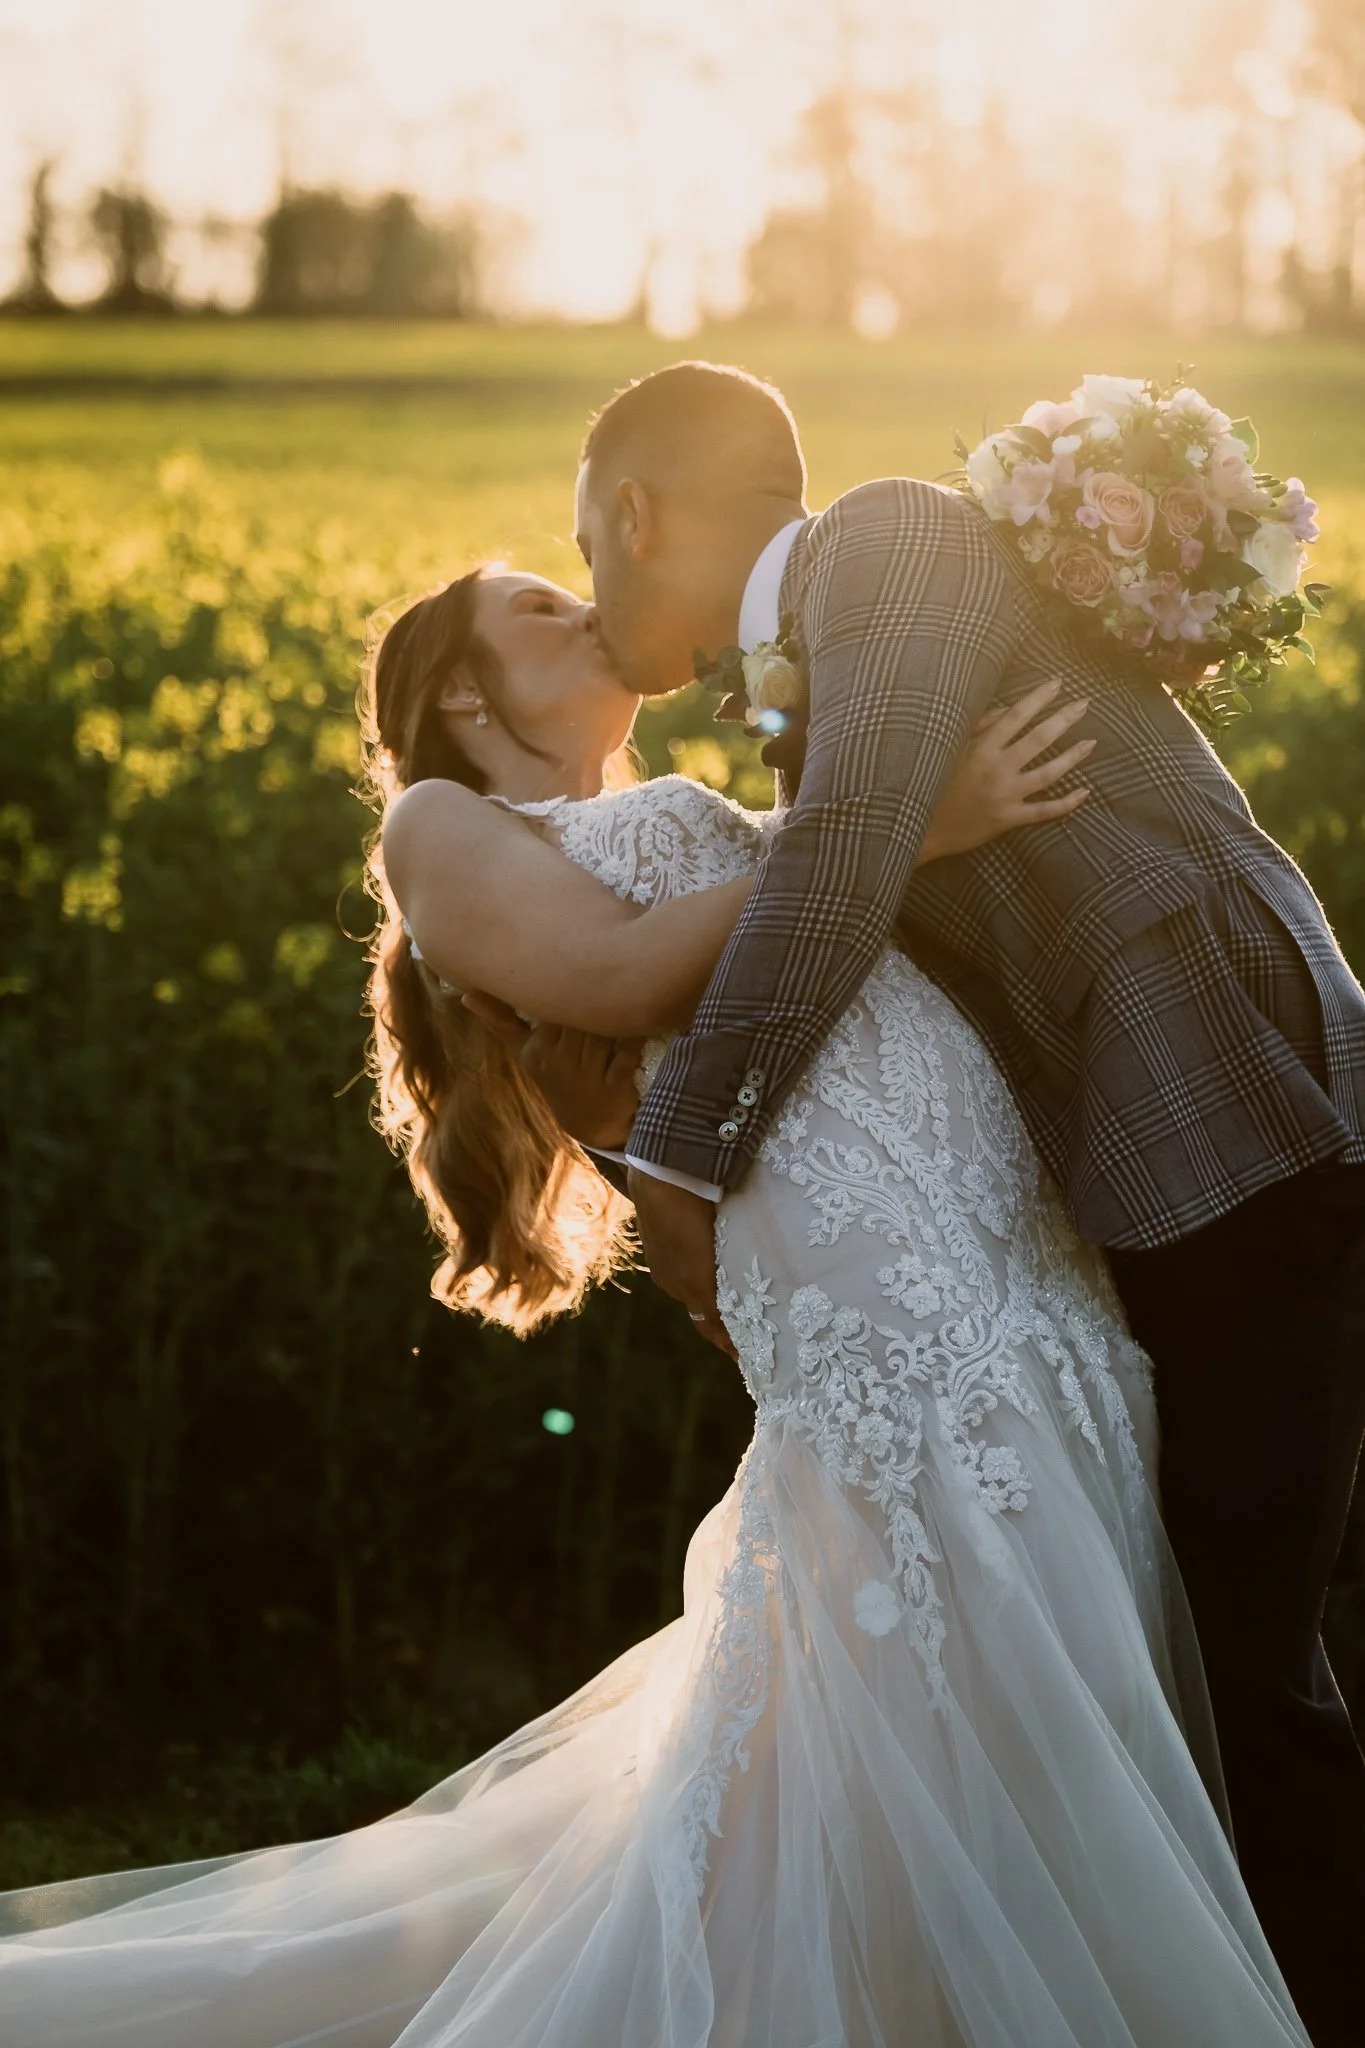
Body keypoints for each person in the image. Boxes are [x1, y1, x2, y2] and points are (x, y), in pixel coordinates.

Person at [0, 564, 1308, 2047]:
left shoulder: (680, 803)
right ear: (461, 696)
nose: (588, 615)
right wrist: (907, 831)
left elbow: (798, 964)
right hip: (887, 1303)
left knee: (948, 1724)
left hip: (985, 1248)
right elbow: (617, 979)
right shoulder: (446, 825)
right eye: (540, 614)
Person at [546, 359, 1365, 2048]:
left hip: (1247, 1129)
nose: (585, 590)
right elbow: (863, 859)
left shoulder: (889, 542)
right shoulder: (821, 670)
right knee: (1210, 1647)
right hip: (1177, 1184)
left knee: (1246, 1668)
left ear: (636, 514)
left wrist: (683, 1158)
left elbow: (841, 857)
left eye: (584, 546)